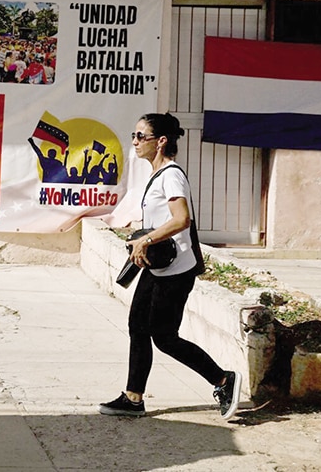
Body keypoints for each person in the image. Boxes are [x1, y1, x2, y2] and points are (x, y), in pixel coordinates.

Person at [99, 112, 241, 420]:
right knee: (137, 326)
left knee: (164, 337)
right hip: (157, 266)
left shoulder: (172, 175)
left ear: (160, 141)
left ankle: (223, 379)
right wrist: (141, 239)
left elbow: (181, 219)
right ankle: (133, 398)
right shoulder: (157, 175)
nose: (134, 142)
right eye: (134, 135)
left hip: (175, 272)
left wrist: (146, 239)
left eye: (141, 136)